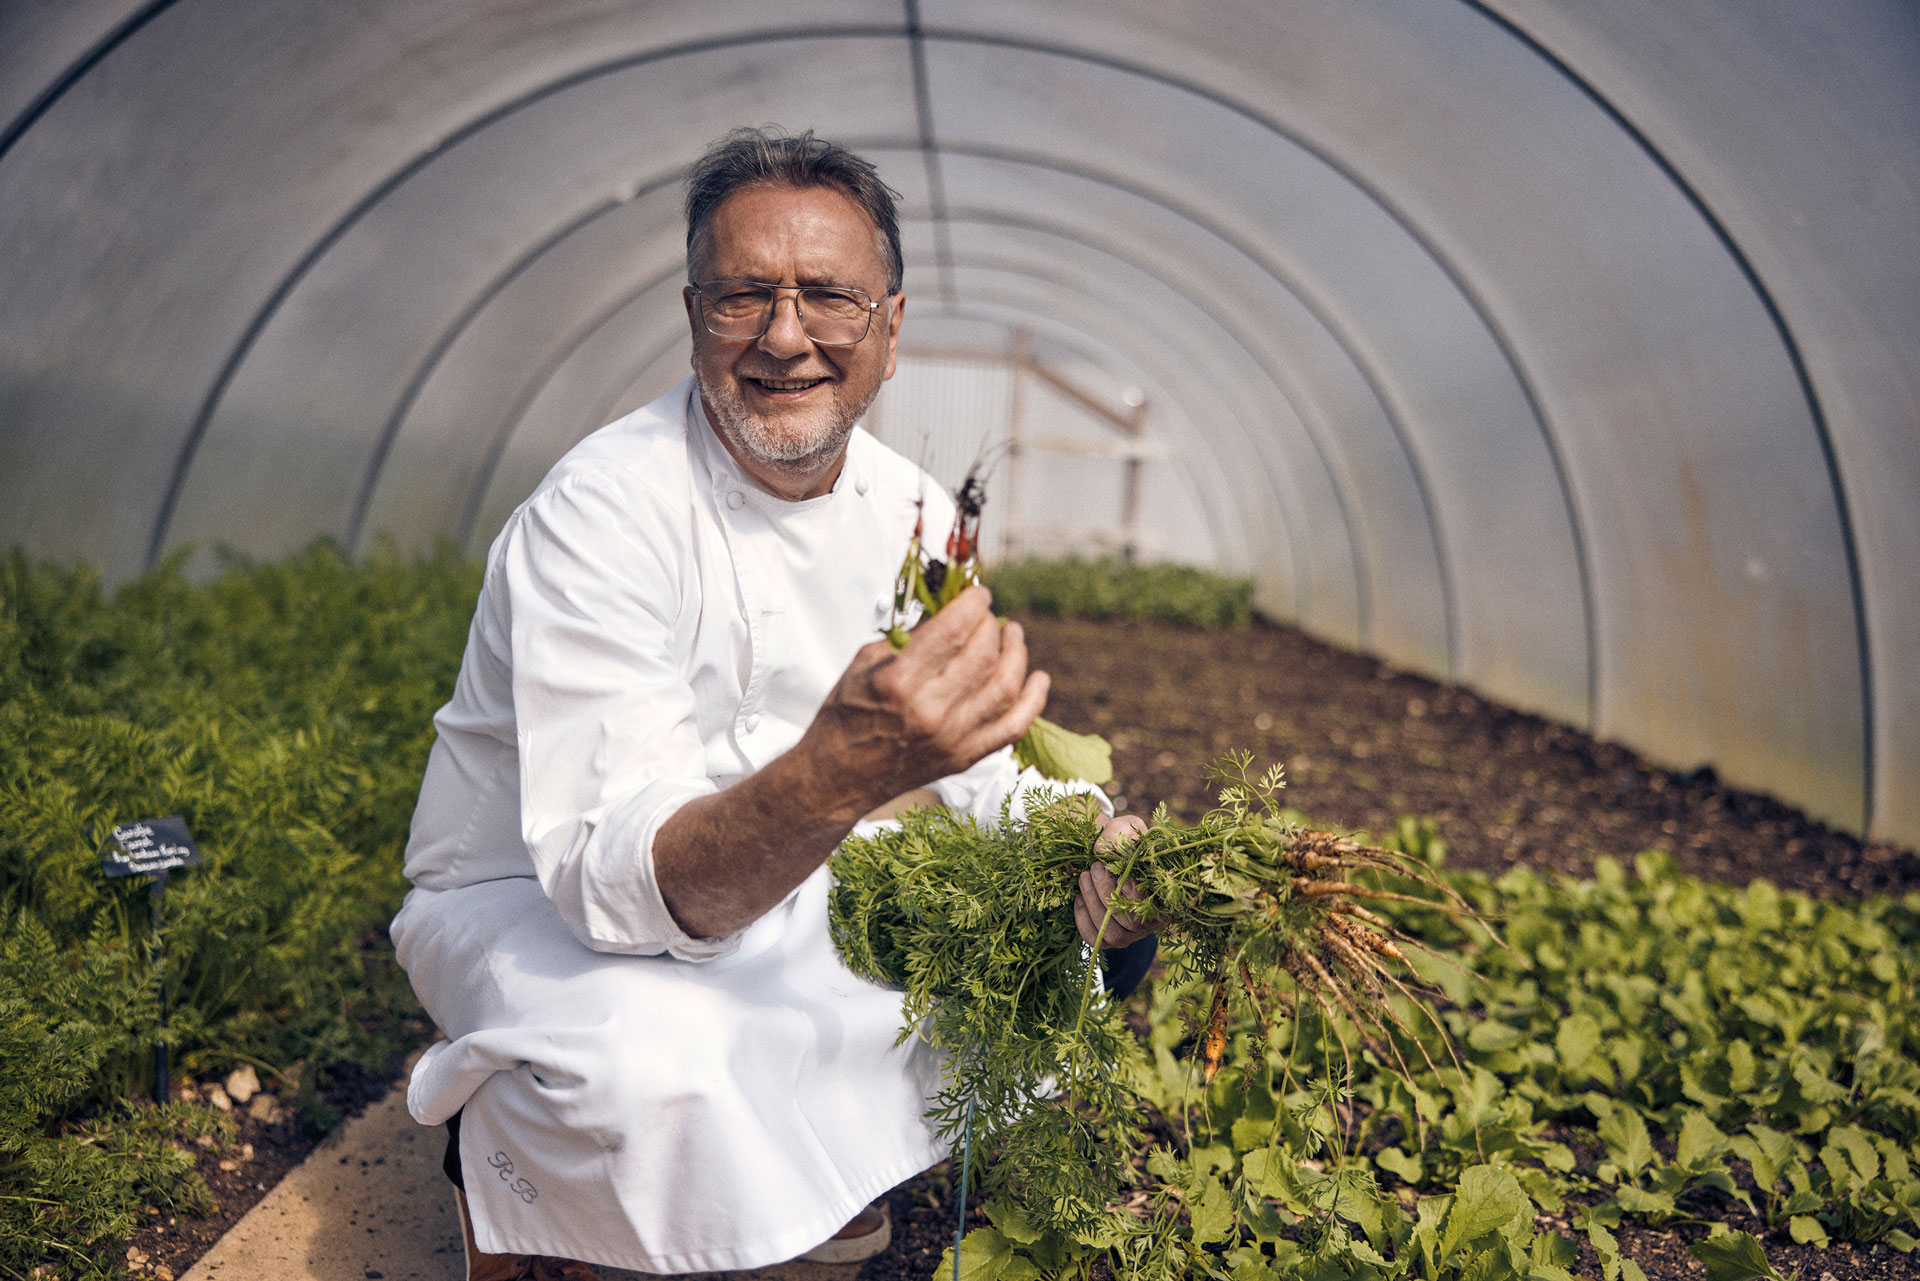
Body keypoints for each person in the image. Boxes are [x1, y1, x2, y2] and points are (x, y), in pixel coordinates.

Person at [390, 126, 1154, 1280]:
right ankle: (510, 1181)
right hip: (542, 899)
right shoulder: (601, 513)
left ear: (890, 333)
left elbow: (975, 774)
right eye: (745, 295)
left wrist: (1090, 848)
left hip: (786, 879)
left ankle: (799, 1210)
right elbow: (616, 882)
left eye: (829, 300)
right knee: (653, 1071)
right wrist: (840, 772)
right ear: (695, 313)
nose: (784, 337)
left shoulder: (913, 514)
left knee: (1007, 961)